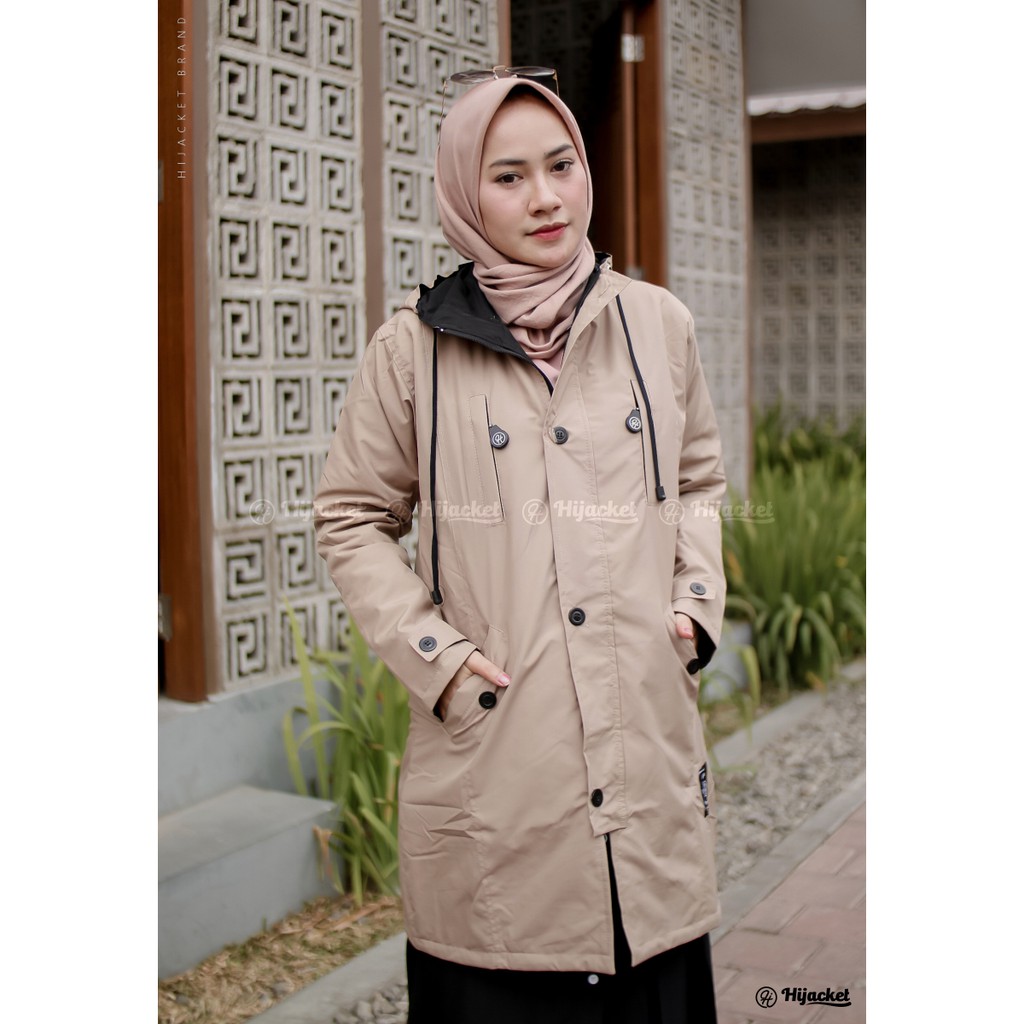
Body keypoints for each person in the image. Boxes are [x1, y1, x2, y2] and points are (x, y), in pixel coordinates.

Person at [314, 70, 727, 1024]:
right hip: (501, 761)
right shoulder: (412, 351)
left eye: (561, 165)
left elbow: (701, 480)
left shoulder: (657, 324)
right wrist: (439, 660)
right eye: (508, 177)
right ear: (465, 192)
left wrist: (695, 605)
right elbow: (350, 515)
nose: (546, 198)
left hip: (645, 745)